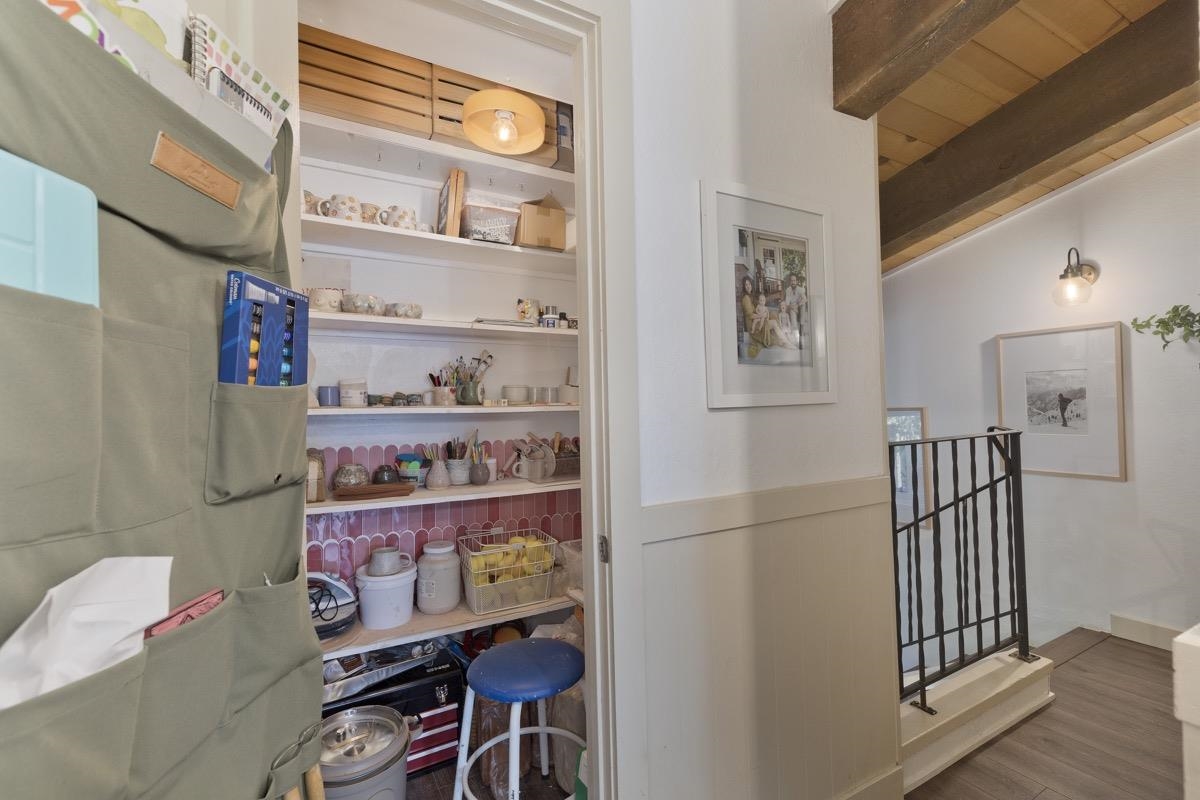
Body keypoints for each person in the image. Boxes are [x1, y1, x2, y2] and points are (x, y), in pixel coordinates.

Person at [739, 277, 797, 359]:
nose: (748, 286)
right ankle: (786, 342)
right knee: (774, 323)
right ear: (744, 287)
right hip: (753, 325)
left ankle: (783, 339)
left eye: (749, 284)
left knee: (773, 314)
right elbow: (750, 315)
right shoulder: (746, 298)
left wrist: (765, 313)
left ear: (751, 285)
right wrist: (762, 315)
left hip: (758, 319)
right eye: (746, 285)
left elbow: (761, 303)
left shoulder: (751, 296)